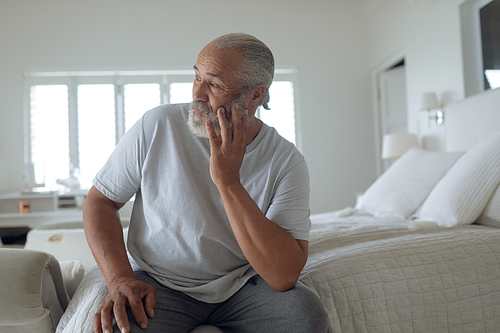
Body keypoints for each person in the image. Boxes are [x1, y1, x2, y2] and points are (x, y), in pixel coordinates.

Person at [83, 32, 328, 333]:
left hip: (242, 287)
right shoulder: (157, 125)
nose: (197, 94)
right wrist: (120, 280)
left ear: (255, 95)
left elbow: (283, 275)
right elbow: (100, 201)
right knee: (119, 326)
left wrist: (228, 182)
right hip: (158, 284)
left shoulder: (286, 161)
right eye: (196, 77)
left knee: (304, 317)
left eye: (213, 84)